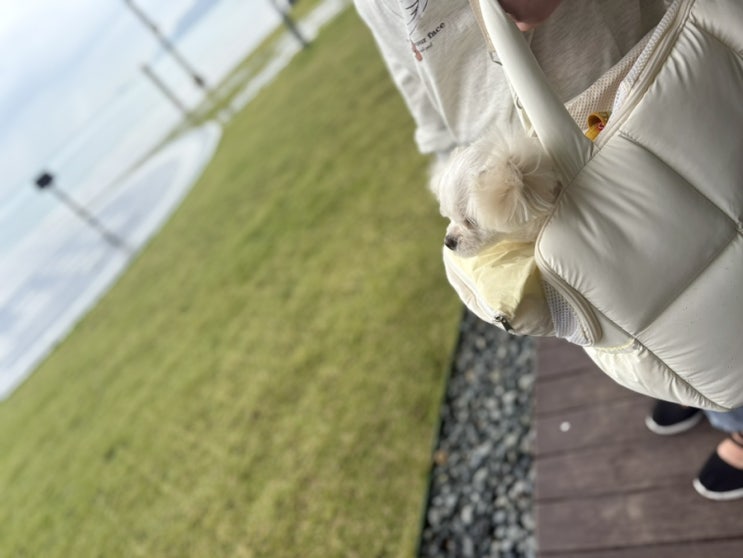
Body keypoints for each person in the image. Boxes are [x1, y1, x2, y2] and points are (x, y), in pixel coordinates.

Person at [352, 0, 743, 501]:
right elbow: (407, 56)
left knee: (694, 239)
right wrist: (443, 147)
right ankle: (696, 375)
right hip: (495, 130)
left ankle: (731, 400)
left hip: (600, 81)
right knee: (629, 283)